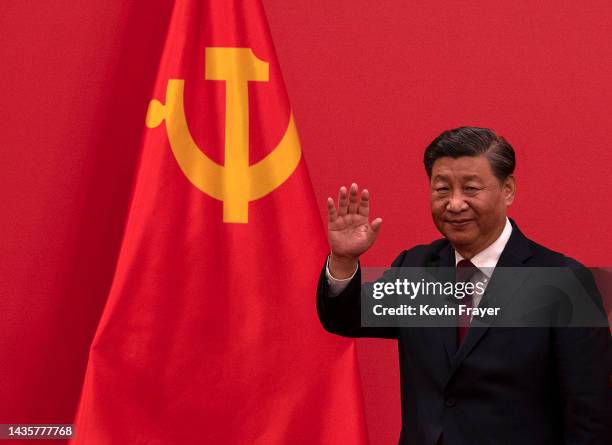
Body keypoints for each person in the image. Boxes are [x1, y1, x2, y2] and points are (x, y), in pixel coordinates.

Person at [316, 127, 611, 445]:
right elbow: (344, 318)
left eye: (471, 188)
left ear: (507, 190)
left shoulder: (561, 281)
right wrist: (344, 260)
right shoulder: (416, 268)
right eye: (442, 189)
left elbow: (592, 415)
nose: (455, 204)